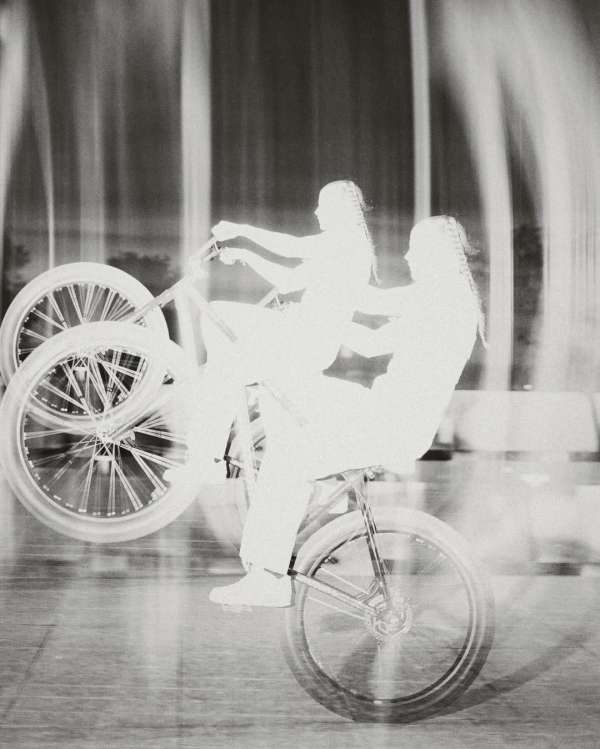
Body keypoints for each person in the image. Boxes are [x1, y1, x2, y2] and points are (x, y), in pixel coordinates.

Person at [208, 215, 485, 607]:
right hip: (387, 412)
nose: (407, 256)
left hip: (389, 423)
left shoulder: (440, 300)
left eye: (414, 249)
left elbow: (371, 337)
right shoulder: (449, 296)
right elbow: (370, 307)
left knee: (288, 457)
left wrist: (314, 314)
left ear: (437, 254)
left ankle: (268, 577)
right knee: (288, 386)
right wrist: (325, 292)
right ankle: (316, 488)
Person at [167, 180, 377, 483]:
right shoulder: (345, 248)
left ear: (341, 210)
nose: (316, 212)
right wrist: (246, 254)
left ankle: (207, 457)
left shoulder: (346, 243)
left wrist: (242, 233)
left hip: (305, 341)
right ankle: (222, 399)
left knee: (219, 318)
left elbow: (292, 250)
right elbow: (291, 280)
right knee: (223, 351)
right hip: (307, 340)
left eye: (323, 206)